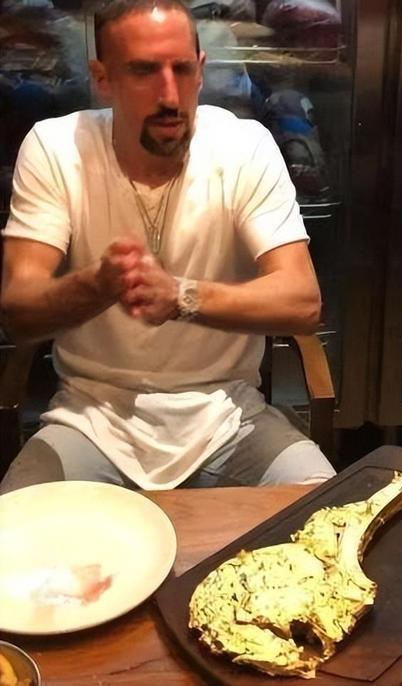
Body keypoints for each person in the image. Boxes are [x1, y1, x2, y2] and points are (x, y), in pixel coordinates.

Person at [0, 0, 336, 493]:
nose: (169, 95)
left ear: (200, 71)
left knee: (337, 522)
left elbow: (303, 302)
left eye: (181, 69)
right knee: (16, 531)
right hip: (91, 420)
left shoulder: (244, 147)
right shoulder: (55, 147)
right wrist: (99, 284)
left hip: (229, 417)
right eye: (143, 71)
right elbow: (18, 310)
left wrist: (181, 296)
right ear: (103, 79)